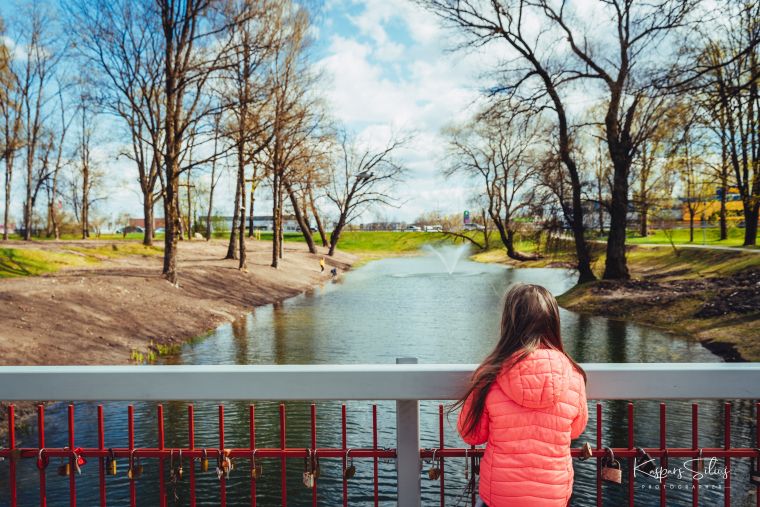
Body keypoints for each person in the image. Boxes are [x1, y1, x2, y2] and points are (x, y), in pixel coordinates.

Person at [455, 283, 588, 507]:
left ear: (508, 323)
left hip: (499, 494)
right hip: (552, 495)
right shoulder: (572, 375)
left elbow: (471, 434)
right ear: (554, 322)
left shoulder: (491, 374)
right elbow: (575, 430)